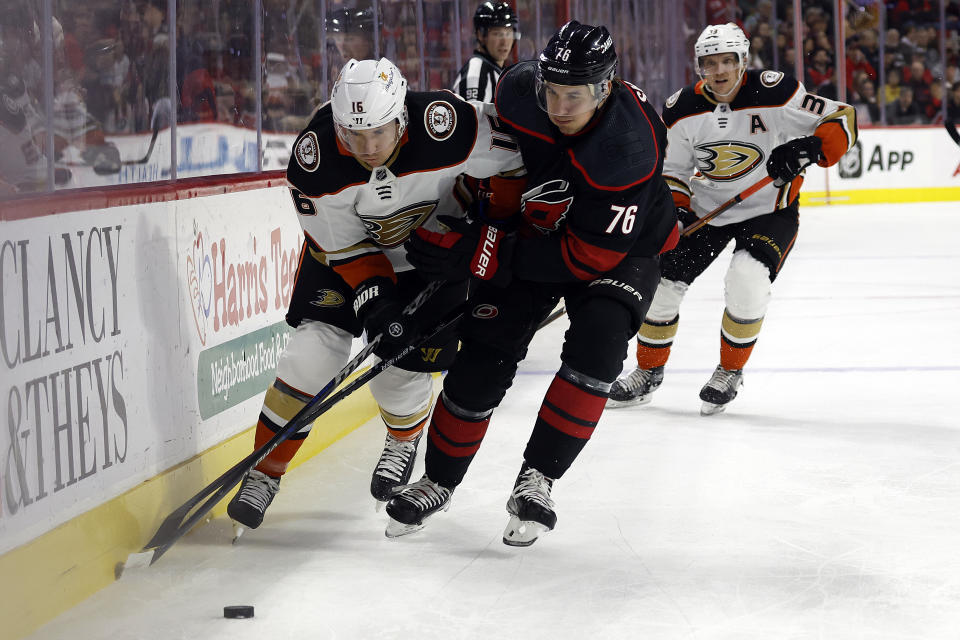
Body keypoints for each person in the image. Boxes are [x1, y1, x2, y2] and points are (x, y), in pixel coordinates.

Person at [385, 21, 678, 546]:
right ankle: (438, 479)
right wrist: (476, 219)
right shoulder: (520, 90)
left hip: (617, 250)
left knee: (600, 343)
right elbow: (492, 159)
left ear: (605, 88)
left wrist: (483, 256)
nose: (560, 107)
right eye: (553, 92)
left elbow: (585, 258)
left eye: (575, 96)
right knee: (483, 350)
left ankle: (538, 479)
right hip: (536, 227)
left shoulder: (628, 148)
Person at [226, 57, 524, 534]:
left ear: (401, 116)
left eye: (378, 133)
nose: (366, 148)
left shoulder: (447, 126)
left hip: (429, 260)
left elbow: (518, 161)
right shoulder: (316, 161)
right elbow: (345, 247)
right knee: (310, 356)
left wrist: (486, 234)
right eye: (352, 134)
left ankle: (403, 440)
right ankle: (264, 472)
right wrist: (376, 301)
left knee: (397, 377)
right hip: (343, 260)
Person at [607, 22, 858, 415]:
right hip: (707, 211)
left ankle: (729, 370)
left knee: (747, 277)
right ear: (699, 66)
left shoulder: (777, 92)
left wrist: (810, 146)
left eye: (728, 61)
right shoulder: (680, 108)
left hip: (768, 209)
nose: (719, 71)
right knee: (662, 286)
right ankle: (648, 372)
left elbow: (842, 118)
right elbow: (673, 170)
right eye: (710, 63)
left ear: (743, 61)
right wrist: (674, 212)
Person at [452, 2, 519, 102]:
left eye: (508, 33)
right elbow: (471, 117)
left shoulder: (497, 70)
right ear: (480, 35)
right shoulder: (475, 75)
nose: (505, 42)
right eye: (497, 34)